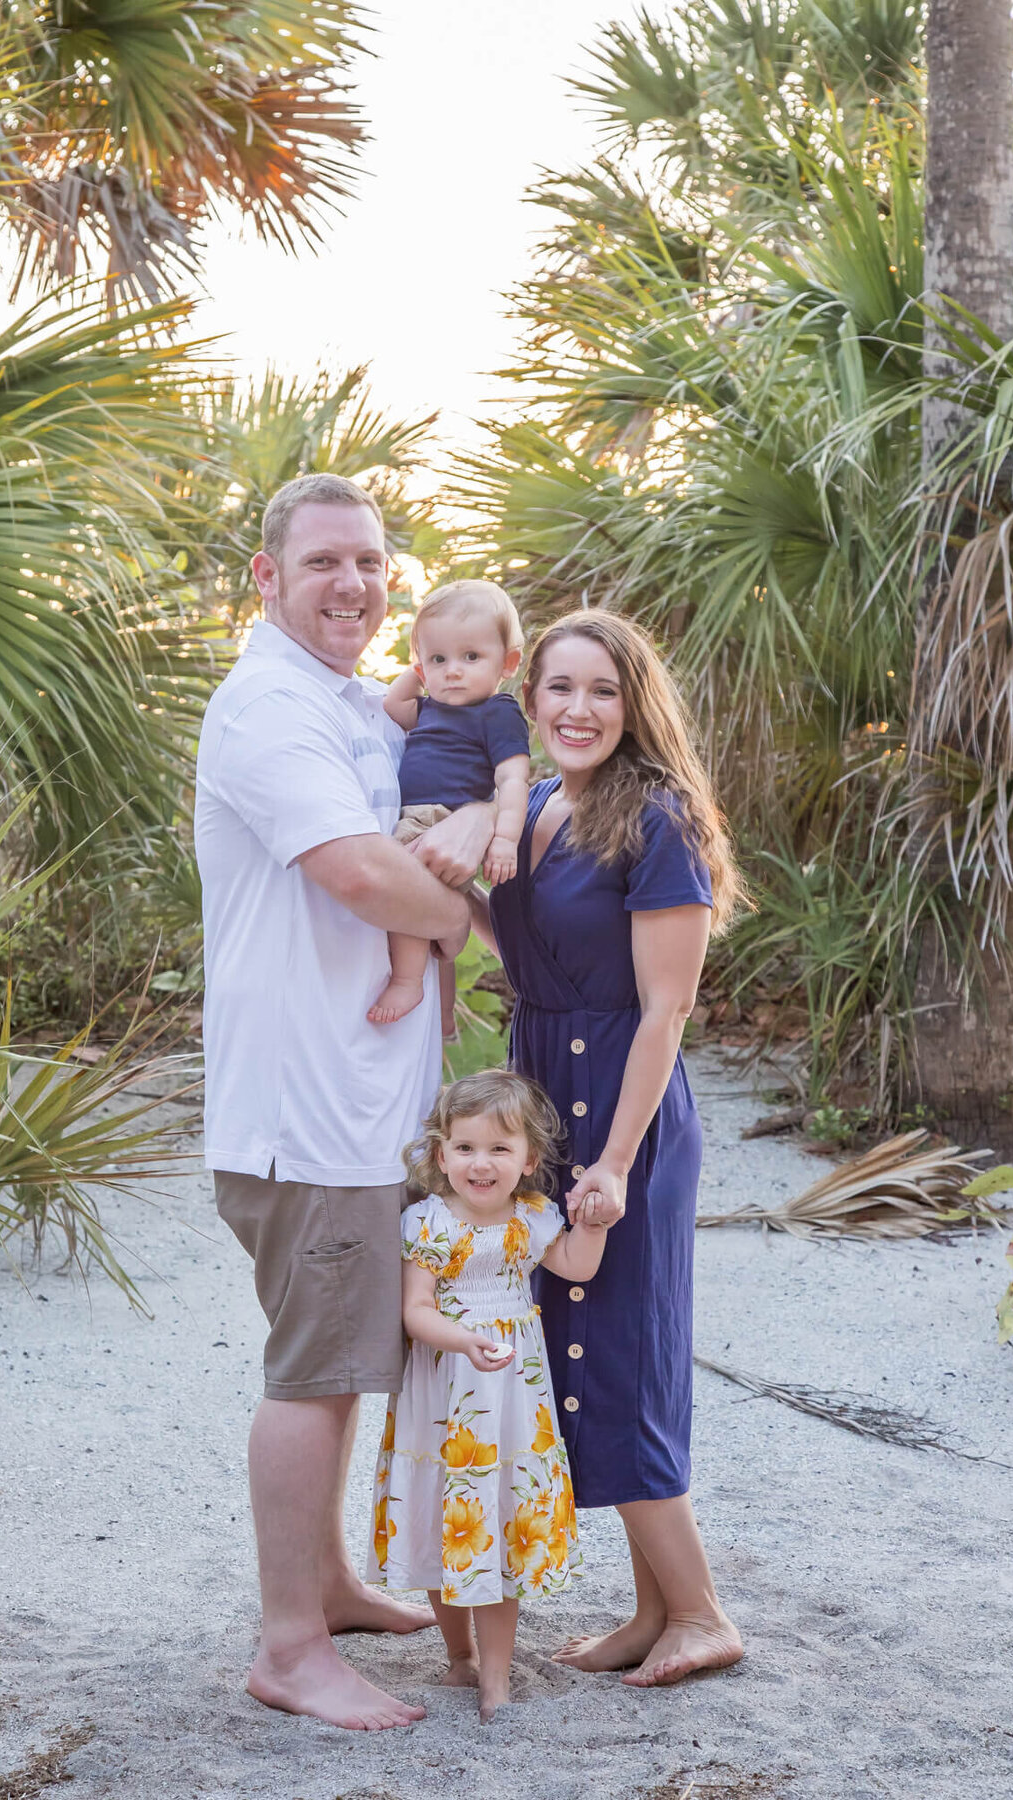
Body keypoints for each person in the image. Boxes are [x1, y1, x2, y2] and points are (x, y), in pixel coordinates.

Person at [194, 472, 496, 1732]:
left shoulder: (352, 708)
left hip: (360, 1111)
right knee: (314, 1375)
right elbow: (364, 872)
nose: (353, 585)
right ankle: (289, 1648)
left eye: (371, 562)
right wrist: (472, 920)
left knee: (343, 1357)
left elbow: (446, 801)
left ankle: (328, 1584)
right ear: (265, 579)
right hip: (305, 1116)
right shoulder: (268, 706)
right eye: (323, 562)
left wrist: (483, 812)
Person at [468, 609, 748, 1689]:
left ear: (634, 706)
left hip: (622, 1103)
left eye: (602, 690)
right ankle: (649, 1612)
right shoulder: (533, 805)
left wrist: (617, 1163)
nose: (578, 709)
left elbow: (664, 1010)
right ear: (528, 700)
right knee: (571, 1348)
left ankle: (701, 1610)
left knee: (623, 1346)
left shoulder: (659, 819)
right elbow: (531, 945)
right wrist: (454, 892)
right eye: (559, 688)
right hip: (545, 1091)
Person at [365, 1070, 609, 1721]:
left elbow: (578, 1267)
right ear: (441, 1155)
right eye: (466, 1147)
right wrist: (463, 1339)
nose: (481, 1163)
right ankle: (459, 1659)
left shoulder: (532, 1219)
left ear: (528, 1160)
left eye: (500, 1149)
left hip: (511, 1396)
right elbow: (415, 1312)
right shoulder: (429, 1222)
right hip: (445, 1389)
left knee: (495, 1526)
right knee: (452, 1522)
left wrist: (595, 1222)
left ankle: (496, 1677)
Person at [368, 580, 531, 1026]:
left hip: (442, 819)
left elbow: (513, 778)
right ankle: (440, 1018)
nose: (452, 671)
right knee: (419, 906)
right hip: (424, 818)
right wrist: (422, 668)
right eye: (440, 659)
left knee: (403, 892)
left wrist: (504, 841)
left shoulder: (497, 711)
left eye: (471, 657)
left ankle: (406, 982)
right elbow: (392, 702)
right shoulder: (432, 706)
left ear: (508, 663)